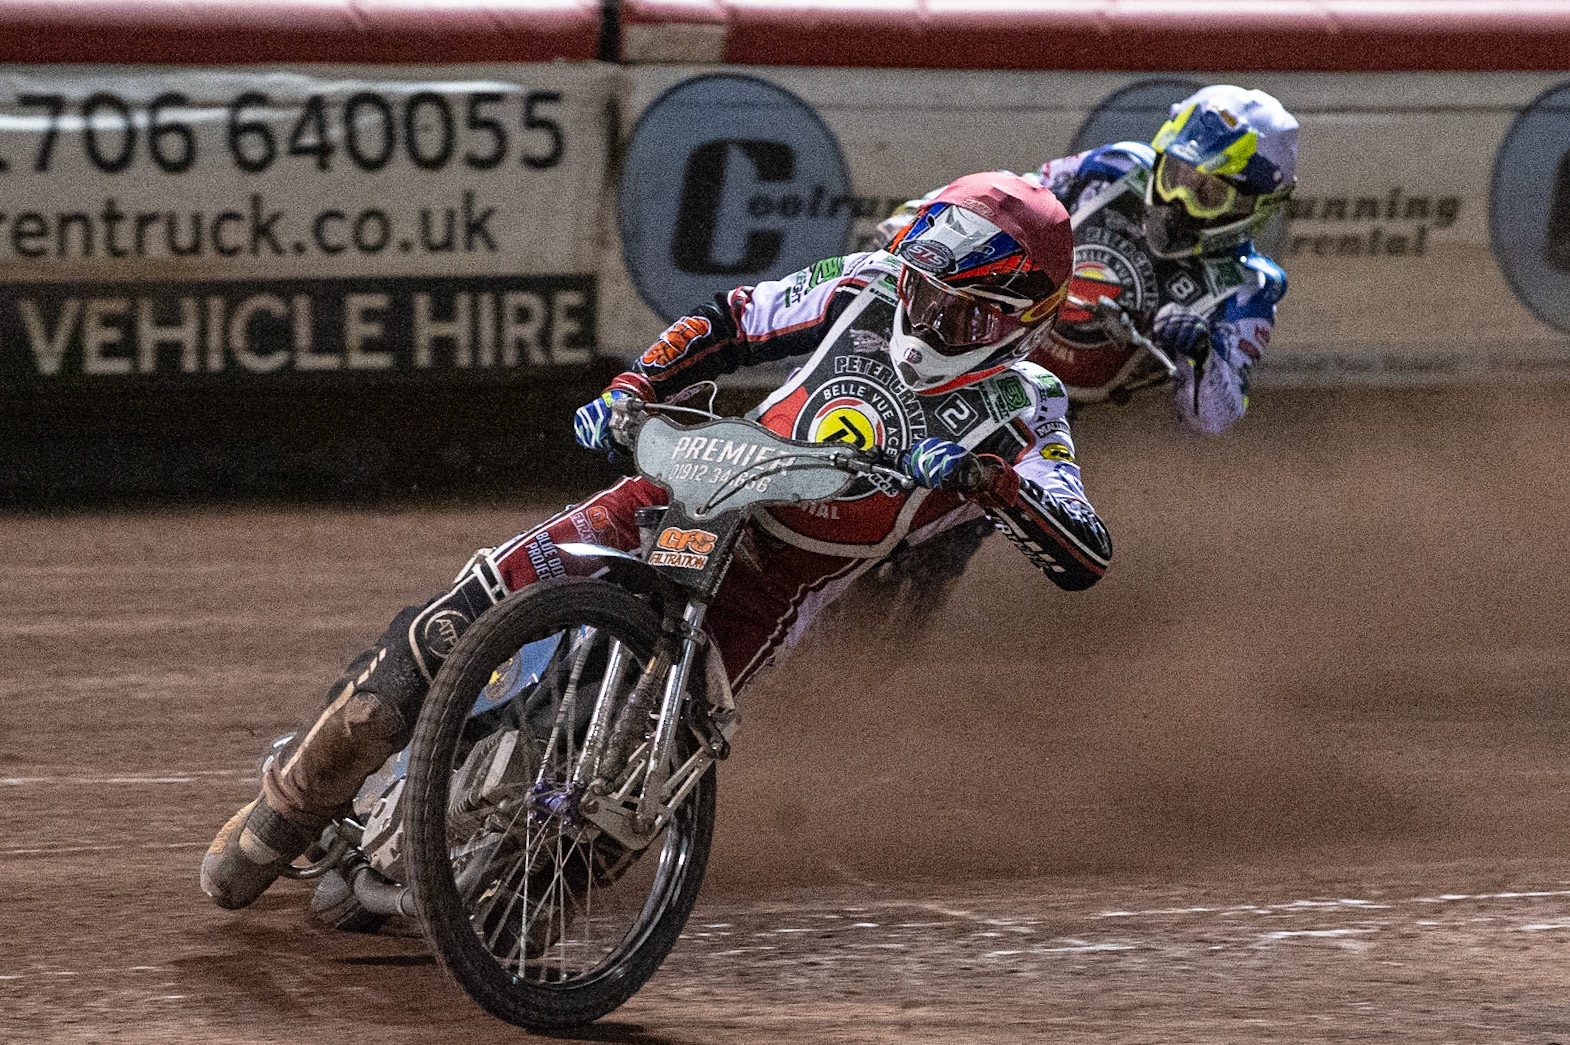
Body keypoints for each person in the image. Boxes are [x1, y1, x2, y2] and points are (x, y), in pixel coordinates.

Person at [201, 171, 1113, 911]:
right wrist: (631, 388)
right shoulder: (863, 287)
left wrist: (991, 480)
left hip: (766, 590)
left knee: (605, 832)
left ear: (1016, 318)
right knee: (451, 625)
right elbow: (730, 320)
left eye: (952, 311)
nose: (919, 317)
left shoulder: (1025, 408)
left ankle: (498, 875)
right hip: (684, 489)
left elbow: (1084, 547)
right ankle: (289, 803)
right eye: (917, 288)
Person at [862, 85, 1298, 622]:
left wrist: (1202, 352)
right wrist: (916, 223)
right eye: (1178, 179)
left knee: (955, 532)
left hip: (1044, 415)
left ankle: (888, 638)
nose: (1182, 202)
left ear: (1255, 209)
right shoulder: (1113, 170)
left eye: (1209, 195)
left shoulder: (1247, 286)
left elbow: (1215, 420)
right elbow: (1012, 196)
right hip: (972, 341)